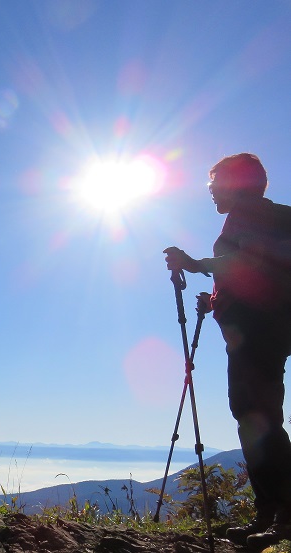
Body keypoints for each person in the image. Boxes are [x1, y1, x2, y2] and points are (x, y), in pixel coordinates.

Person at [164, 153, 291, 549]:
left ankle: (284, 515)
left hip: (261, 331)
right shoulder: (261, 216)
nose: (211, 192)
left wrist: (195, 262)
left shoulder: (254, 214)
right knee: (252, 415)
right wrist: (216, 301)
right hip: (263, 329)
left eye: (215, 184)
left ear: (236, 184)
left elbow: (248, 261)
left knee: (260, 417)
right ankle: (270, 514)